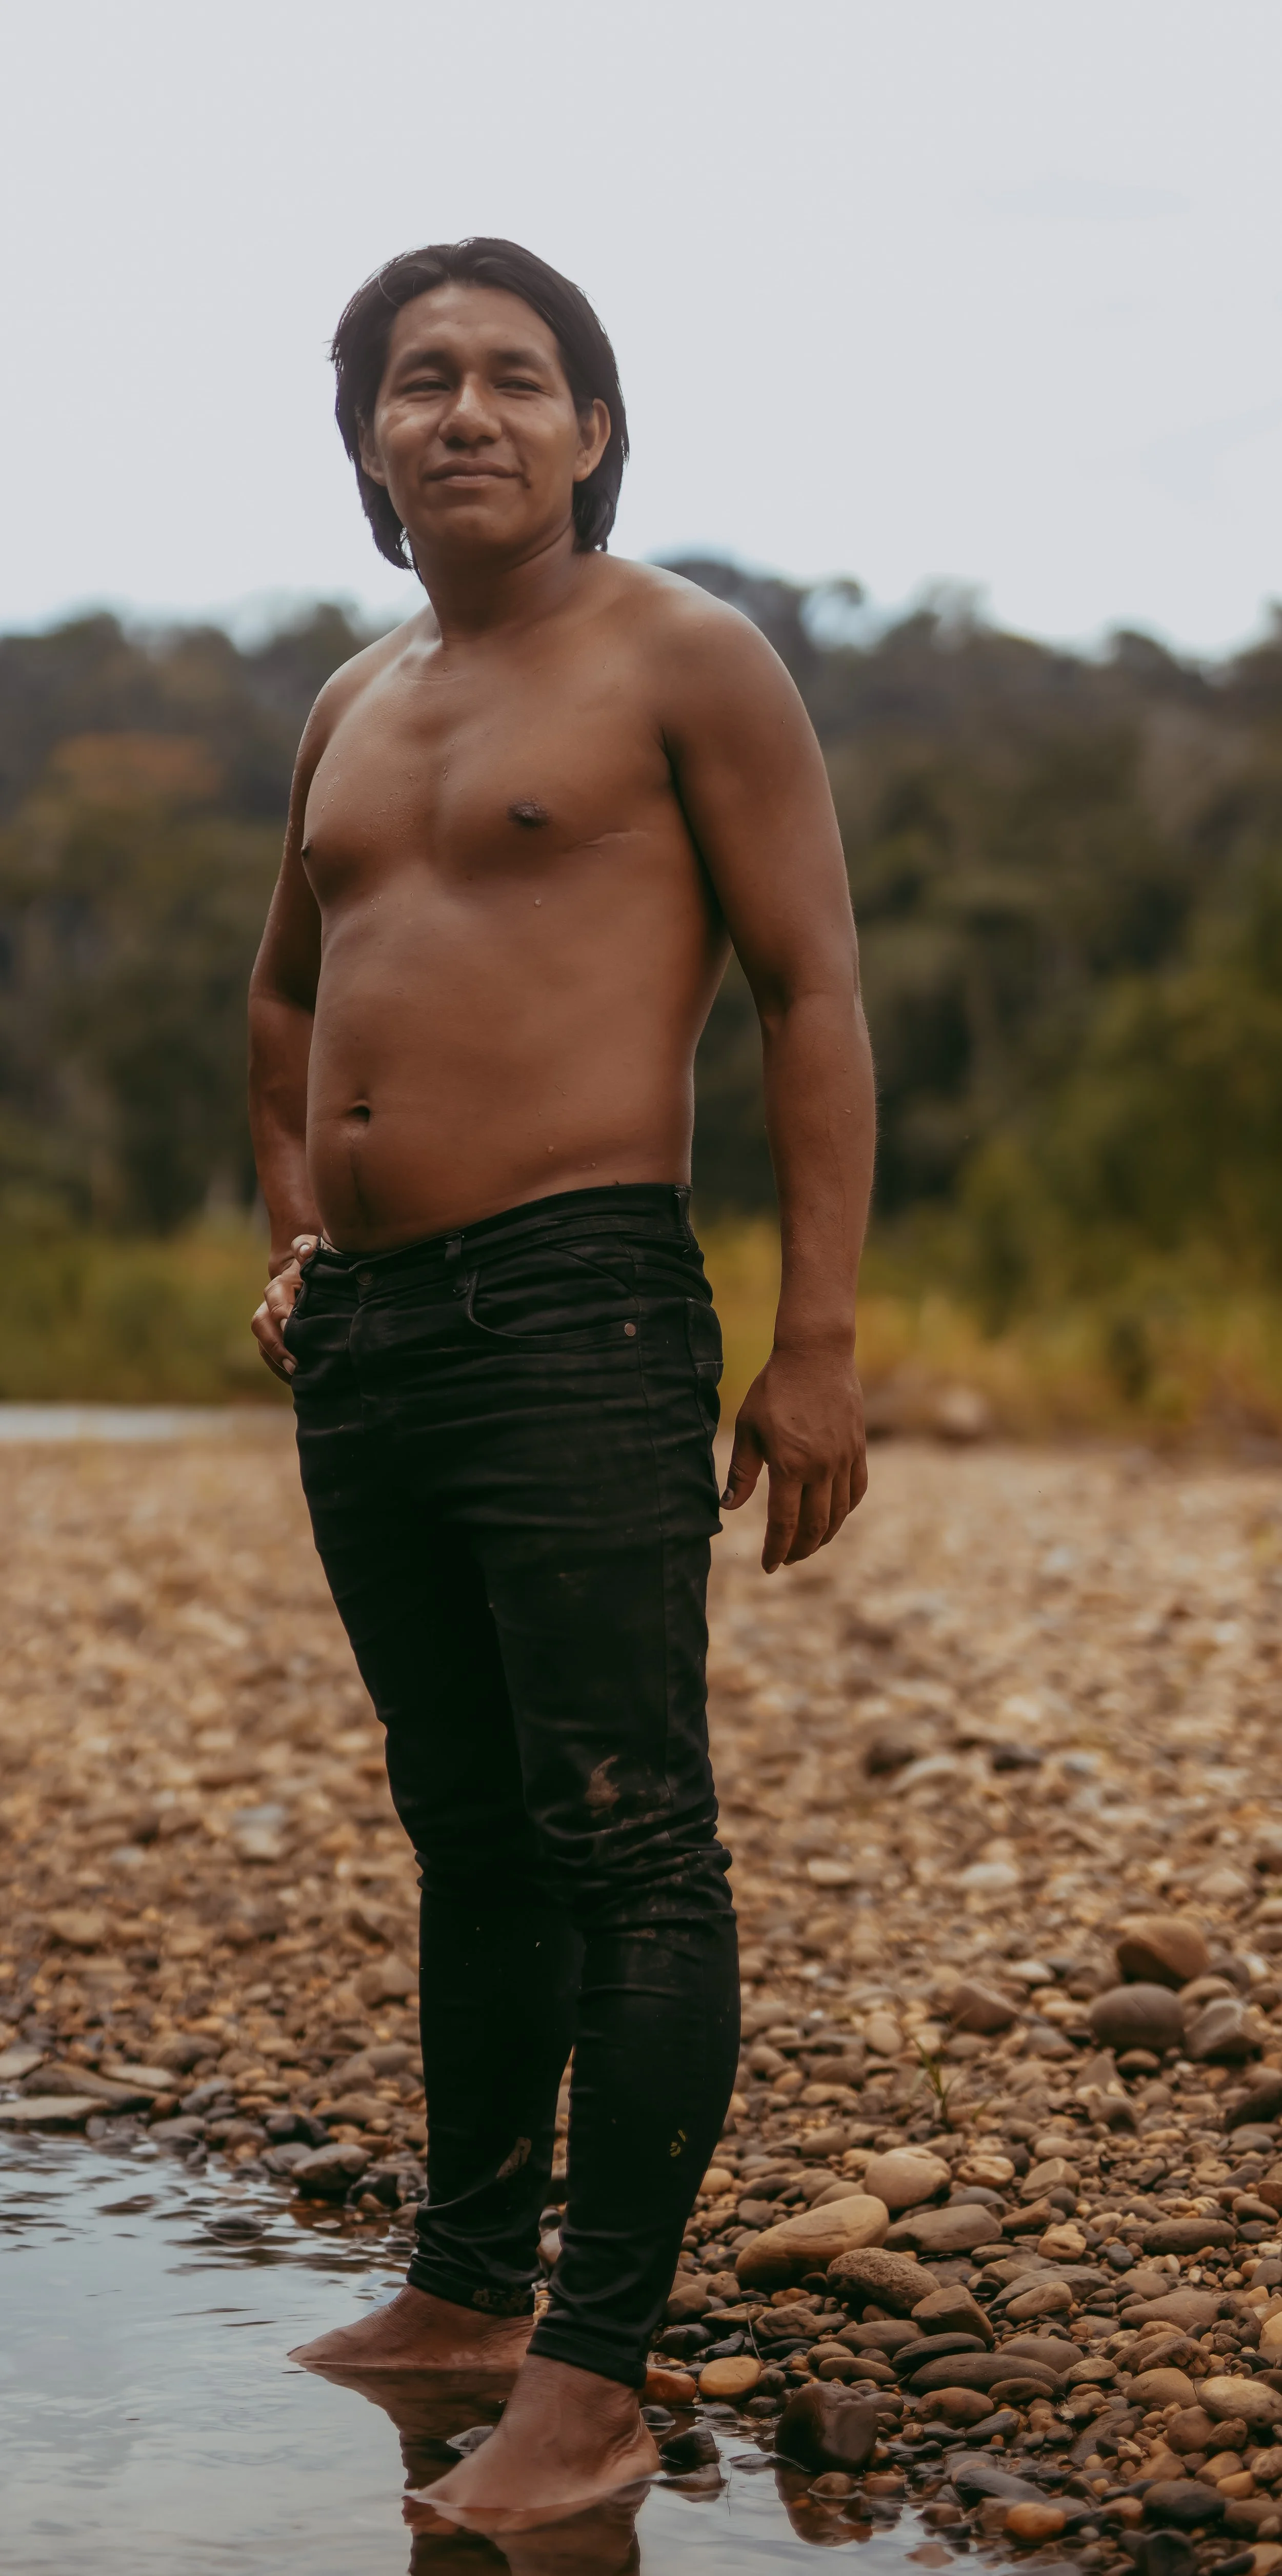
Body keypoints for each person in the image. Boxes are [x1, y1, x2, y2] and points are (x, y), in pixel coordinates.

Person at [248, 236, 874, 2534]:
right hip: (371, 1333)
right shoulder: (350, 697)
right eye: (420, 378)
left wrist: (816, 1343)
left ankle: (593, 2375)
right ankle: (464, 2287)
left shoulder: (683, 655)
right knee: (471, 1825)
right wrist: (294, 1233)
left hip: (580, 1301)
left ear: (593, 429)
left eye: (519, 376)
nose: (467, 411)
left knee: (626, 1837)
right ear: (366, 439)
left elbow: (813, 994)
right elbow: (284, 998)